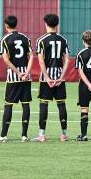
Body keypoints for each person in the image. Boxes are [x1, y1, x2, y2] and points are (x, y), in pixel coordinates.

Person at [0, 15, 33, 143]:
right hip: (26, 77)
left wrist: (18, 73)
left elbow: (6, 60)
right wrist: (26, 72)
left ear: (6, 25)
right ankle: (24, 135)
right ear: (17, 24)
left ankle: (3, 135)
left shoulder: (4, 40)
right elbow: (31, 56)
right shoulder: (25, 38)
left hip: (13, 77)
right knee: (25, 105)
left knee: (8, 105)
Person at [33, 13, 70, 142]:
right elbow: (66, 60)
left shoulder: (41, 40)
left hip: (46, 78)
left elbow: (41, 61)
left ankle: (42, 134)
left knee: (44, 104)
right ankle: (64, 134)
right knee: (61, 104)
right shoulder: (63, 40)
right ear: (57, 24)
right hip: (60, 76)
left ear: (46, 24)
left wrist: (47, 77)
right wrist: (61, 76)